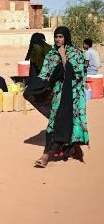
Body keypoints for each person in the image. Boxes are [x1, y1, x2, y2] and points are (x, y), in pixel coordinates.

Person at [24, 26, 89, 168]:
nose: (58, 39)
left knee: (73, 123)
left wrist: (64, 56)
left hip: (74, 96)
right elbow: (44, 74)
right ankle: (48, 155)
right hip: (58, 95)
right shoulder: (51, 54)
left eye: (61, 37)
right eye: (56, 37)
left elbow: (77, 74)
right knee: (54, 123)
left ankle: (52, 155)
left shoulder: (76, 53)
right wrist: (34, 87)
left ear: (66, 38)